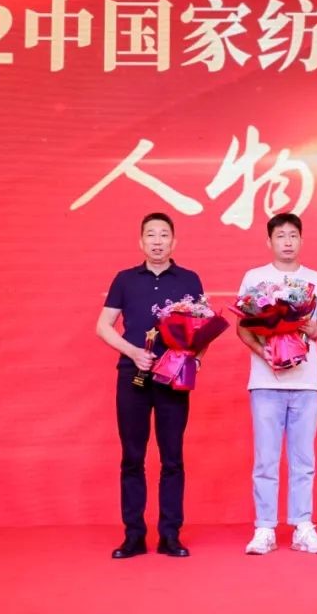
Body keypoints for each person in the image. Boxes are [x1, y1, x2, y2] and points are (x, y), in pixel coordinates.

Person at [96, 212, 203, 559]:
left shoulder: (189, 279)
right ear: (141, 241)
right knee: (132, 457)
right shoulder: (125, 279)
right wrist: (132, 352)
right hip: (133, 375)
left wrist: (194, 359)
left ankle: (170, 535)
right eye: (151, 235)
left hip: (172, 378)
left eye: (164, 235)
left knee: (172, 458)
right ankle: (134, 535)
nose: (158, 241)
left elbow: (202, 328)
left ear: (174, 241)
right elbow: (103, 325)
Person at [236, 213, 317, 555]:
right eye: (281, 236)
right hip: (266, 382)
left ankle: (302, 526)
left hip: (306, 383)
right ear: (269, 241)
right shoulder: (255, 278)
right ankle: (265, 528)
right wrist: (265, 353)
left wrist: (311, 330)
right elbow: (243, 327)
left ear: (301, 240)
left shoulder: (315, 280)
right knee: (266, 459)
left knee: (303, 459)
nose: (287, 242)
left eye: (293, 235)